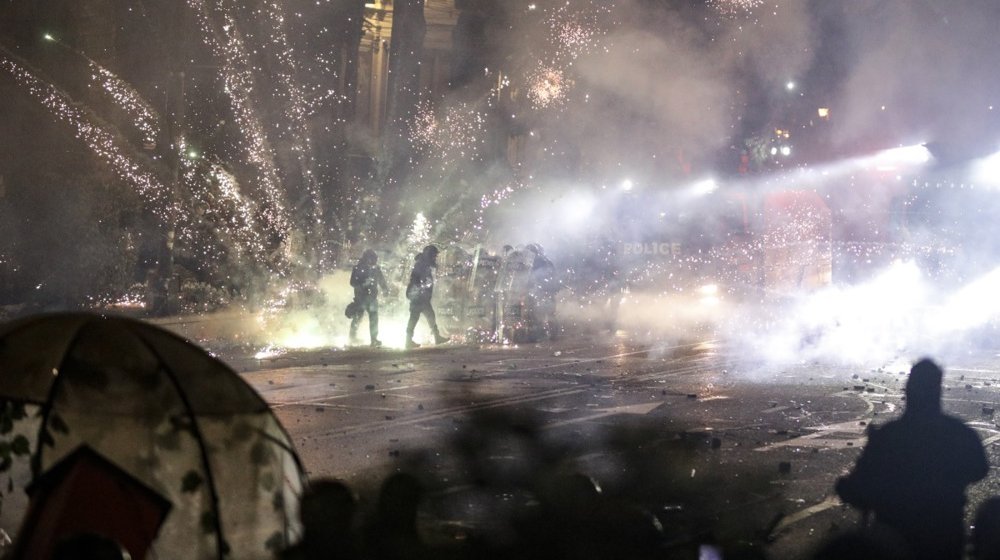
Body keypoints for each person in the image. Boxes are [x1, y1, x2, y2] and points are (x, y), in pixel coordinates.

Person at [835, 358, 988, 560]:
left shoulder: (890, 436)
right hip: (944, 536)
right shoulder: (959, 433)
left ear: (908, 390)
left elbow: (860, 486)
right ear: (937, 391)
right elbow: (980, 469)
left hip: (895, 539)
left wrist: (844, 487)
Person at [405, 245, 448, 349]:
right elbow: (415, 279)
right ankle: (408, 341)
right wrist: (422, 287)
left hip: (421, 297)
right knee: (415, 318)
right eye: (434, 255)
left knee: (429, 316)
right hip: (418, 297)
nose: (435, 258)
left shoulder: (424, 264)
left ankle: (436, 337)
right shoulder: (421, 265)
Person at [349, 249, 389, 348]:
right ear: (367, 258)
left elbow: (381, 280)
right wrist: (363, 284)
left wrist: (385, 289)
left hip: (371, 298)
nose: (375, 261)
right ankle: (352, 338)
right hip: (361, 297)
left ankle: (373, 339)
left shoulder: (376, 269)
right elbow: (353, 282)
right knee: (358, 318)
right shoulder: (358, 268)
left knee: (373, 319)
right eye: (373, 259)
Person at [525, 244, 559, 341]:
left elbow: (529, 277)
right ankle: (550, 332)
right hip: (547, 291)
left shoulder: (536, 262)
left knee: (534, 312)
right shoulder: (548, 261)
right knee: (549, 314)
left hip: (540, 290)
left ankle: (539, 333)